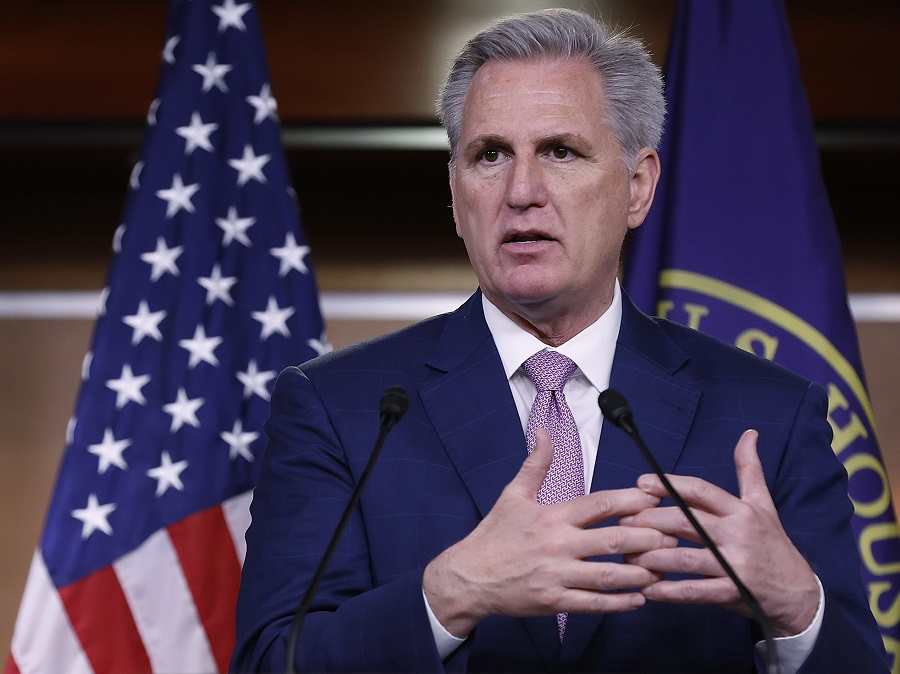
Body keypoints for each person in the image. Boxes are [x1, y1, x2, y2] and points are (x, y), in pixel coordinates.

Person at [231, 8, 888, 673]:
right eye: (490, 155)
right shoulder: (340, 408)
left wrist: (797, 609)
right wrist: (448, 595)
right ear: (457, 194)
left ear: (637, 187)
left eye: (560, 151)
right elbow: (270, 663)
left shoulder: (770, 415)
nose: (521, 192)